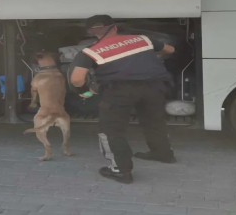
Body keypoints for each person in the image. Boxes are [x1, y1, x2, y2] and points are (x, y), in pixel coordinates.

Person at [68, 15, 176, 184]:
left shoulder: (89, 51)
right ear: (115, 27)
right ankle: (163, 154)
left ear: (90, 32)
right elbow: (170, 50)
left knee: (111, 129)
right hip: (155, 86)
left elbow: (77, 79)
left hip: (119, 91)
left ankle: (120, 170)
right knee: (154, 121)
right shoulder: (142, 39)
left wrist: (84, 92)